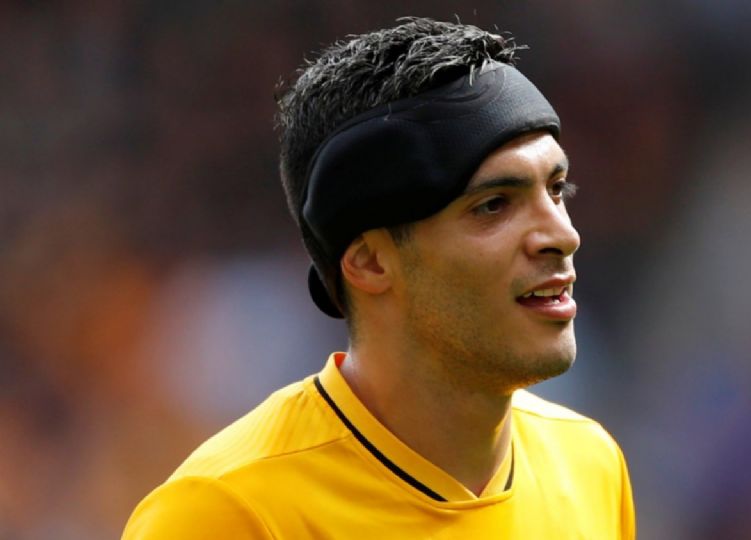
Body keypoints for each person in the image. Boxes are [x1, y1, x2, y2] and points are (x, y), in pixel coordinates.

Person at [122, 17, 635, 539]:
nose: (563, 235)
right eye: (493, 205)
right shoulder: (226, 511)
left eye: (557, 190)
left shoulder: (590, 466)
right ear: (369, 262)